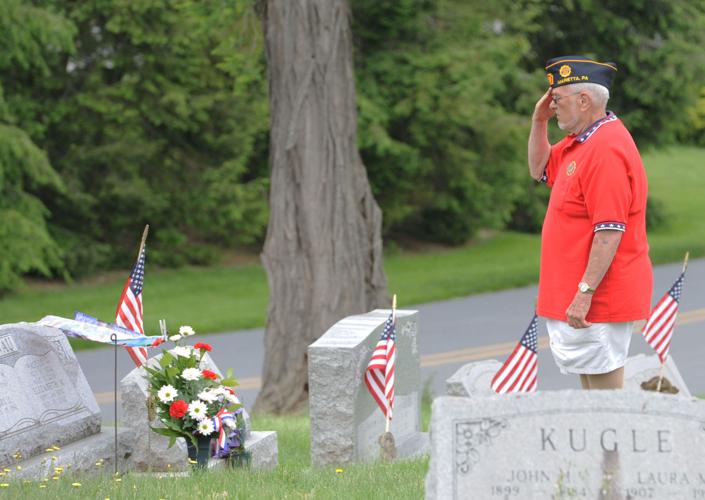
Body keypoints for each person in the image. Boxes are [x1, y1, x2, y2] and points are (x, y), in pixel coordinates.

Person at [528, 55, 653, 390]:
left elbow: (610, 230)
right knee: (591, 399)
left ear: (584, 101)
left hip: (599, 296)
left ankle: (615, 446)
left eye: (557, 99)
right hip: (578, 293)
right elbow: (539, 169)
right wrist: (538, 122)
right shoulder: (580, 142)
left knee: (605, 404)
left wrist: (585, 293)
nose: (552, 106)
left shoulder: (606, 148)